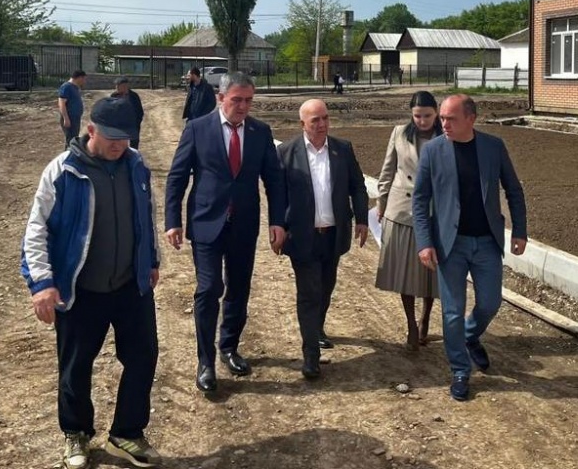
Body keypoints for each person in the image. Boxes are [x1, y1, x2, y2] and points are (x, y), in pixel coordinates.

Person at [21, 96, 162, 468]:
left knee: (143, 356)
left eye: (125, 138)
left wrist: (151, 259)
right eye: (112, 137)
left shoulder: (136, 164)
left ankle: (126, 433)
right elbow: (36, 229)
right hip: (81, 289)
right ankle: (76, 432)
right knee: (76, 365)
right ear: (91, 130)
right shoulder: (63, 170)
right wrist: (42, 283)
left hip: (130, 285)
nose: (119, 145)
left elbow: (146, 214)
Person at [164, 71, 287, 394]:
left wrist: (278, 221)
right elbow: (177, 177)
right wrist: (172, 220)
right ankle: (205, 362)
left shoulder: (260, 132)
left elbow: (274, 180)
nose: (243, 106)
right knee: (209, 289)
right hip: (206, 222)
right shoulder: (197, 129)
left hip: (244, 224)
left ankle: (229, 347)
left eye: (248, 100)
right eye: (236, 100)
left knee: (239, 288)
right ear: (220, 98)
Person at [411, 94, 527, 402]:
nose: (444, 124)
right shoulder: (433, 151)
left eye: (450, 119)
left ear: (471, 119)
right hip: (450, 245)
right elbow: (420, 199)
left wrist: (520, 230)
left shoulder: (493, 147)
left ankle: (470, 335)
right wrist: (424, 242)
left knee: (490, 303)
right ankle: (460, 370)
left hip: (487, 241)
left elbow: (514, 190)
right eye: (442, 118)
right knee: (452, 312)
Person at [277, 99, 369, 379]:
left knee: (326, 288)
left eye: (325, 118)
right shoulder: (286, 153)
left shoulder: (342, 149)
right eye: (315, 120)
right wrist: (277, 227)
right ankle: (311, 355)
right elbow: (277, 195)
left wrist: (362, 219)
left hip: (333, 235)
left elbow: (358, 186)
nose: (322, 124)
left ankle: (317, 328)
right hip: (301, 236)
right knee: (309, 294)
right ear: (302, 123)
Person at [375, 91, 443, 351]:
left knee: (430, 274)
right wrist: (381, 202)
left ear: (436, 112)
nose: (422, 121)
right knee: (405, 273)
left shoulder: (446, 136)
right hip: (402, 210)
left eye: (427, 116)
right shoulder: (399, 133)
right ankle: (411, 324)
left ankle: (426, 318)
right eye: (417, 116)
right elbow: (388, 169)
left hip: (434, 212)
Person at [110, 76, 143, 149]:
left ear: (125, 86)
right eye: (116, 86)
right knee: (119, 144)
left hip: (133, 124)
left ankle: (132, 155)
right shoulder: (114, 96)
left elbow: (139, 111)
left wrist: (137, 122)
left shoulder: (134, 96)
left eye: (118, 86)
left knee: (134, 144)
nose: (116, 88)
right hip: (119, 125)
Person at [58, 70, 87, 148]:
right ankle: (68, 154)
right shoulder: (66, 87)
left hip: (75, 118)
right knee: (70, 141)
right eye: (84, 79)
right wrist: (66, 118)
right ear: (79, 78)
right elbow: (61, 103)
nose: (84, 81)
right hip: (70, 118)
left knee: (73, 139)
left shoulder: (75, 87)